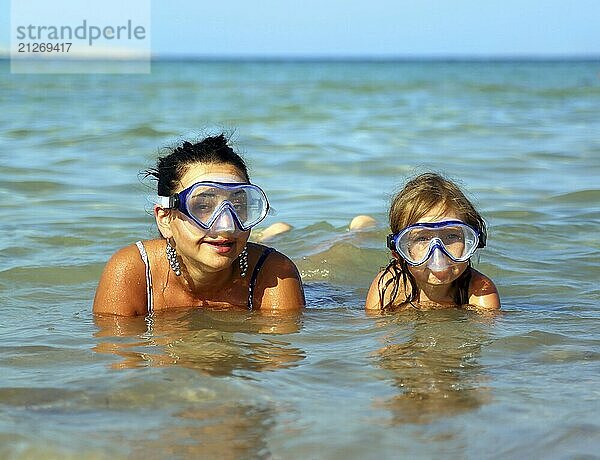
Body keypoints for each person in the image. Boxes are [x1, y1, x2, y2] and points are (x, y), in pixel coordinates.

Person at [93, 134, 305, 316]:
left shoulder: (275, 273)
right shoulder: (133, 270)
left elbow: (280, 356)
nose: (227, 227)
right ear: (165, 219)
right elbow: (115, 353)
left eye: (239, 205)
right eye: (203, 206)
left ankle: (272, 233)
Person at [365, 173, 500, 312]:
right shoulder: (388, 288)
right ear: (398, 252)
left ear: (472, 243)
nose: (438, 254)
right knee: (362, 229)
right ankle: (365, 226)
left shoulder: (480, 290)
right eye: (422, 238)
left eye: (451, 236)